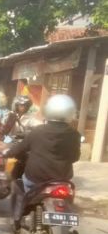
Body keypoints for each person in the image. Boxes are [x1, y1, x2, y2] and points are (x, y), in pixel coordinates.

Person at [7, 94, 81, 225]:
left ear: (49, 111)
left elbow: (20, 148)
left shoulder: (38, 131)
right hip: (62, 179)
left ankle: (17, 219)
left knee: (19, 185)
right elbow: (75, 157)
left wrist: (8, 153)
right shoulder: (75, 135)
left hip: (36, 178)